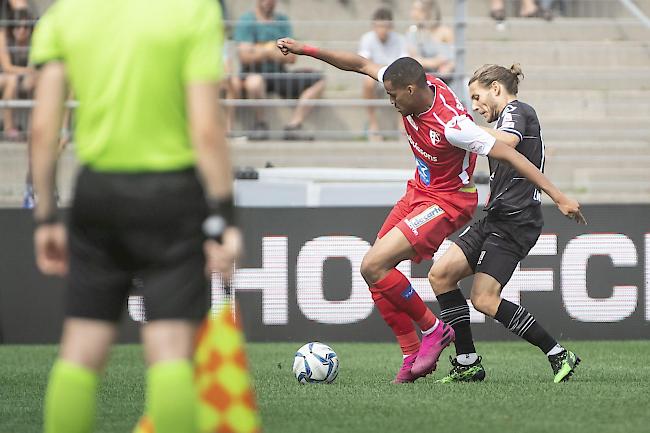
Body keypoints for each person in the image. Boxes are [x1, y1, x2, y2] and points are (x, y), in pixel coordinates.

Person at [276, 38, 584, 383]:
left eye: (393, 96)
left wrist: (559, 196)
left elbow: (510, 151)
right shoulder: (419, 86)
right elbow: (361, 64)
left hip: (454, 202)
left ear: (410, 90)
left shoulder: (456, 127)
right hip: (435, 196)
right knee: (428, 275)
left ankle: (446, 333)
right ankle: (457, 360)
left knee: (467, 293)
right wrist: (307, 50)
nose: (390, 102)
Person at [30, 2, 242, 433]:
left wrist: (46, 216)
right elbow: (206, 127)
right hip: (173, 197)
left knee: (81, 350)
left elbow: (42, 127)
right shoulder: (194, 11)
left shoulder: (66, 13)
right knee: (170, 353)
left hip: (97, 193)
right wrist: (225, 216)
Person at [430, 64, 585, 384]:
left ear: (497, 89)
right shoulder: (507, 117)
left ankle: (558, 353)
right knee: (441, 274)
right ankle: (467, 361)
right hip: (497, 216)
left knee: (484, 299)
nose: (474, 106)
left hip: (517, 220)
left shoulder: (518, 110)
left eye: (477, 96)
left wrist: (460, 126)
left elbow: (508, 141)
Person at [233, 0, 325, 140]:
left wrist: (259, 50)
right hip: (254, 73)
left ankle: (294, 126)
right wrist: (271, 51)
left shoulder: (282, 21)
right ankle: (261, 124)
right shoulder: (247, 20)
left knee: (319, 80)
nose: (269, 2)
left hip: (279, 74)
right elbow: (244, 57)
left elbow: (292, 57)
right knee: (254, 82)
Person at [358, 7, 408, 140]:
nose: (382, 30)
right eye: (379, 26)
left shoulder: (400, 40)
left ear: (391, 27)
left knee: (405, 80)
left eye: (385, 26)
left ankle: (402, 124)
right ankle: (373, 124)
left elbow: (405, 62)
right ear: (373, 26)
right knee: (367, 82)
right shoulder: (367, 39)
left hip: (394, 77)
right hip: (376, 76)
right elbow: (364, 62)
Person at [0, 7, 35, 140]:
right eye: (18, 26)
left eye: (26, 27)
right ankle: (9, 129)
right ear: (11, 27)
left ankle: (33, 129)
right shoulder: (3, 37)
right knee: (12, 80)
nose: (22, 30)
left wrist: (31, 73)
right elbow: (7, 67)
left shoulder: (33, 40)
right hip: (5, 76)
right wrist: (29, 71)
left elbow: (35, 66)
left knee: (37, 82)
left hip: (21, 76)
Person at [406, 0, 455, 84]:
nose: (413, 13)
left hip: (447, 77)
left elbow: (454, 58)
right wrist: (436, 62)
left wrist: (448, 65)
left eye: (418, 10)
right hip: (424, 77)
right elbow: (415, 59)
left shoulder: (445, 31)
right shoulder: (412, 32)